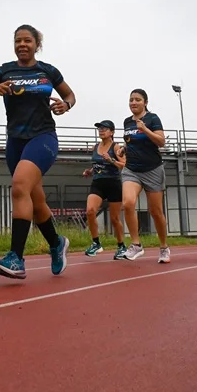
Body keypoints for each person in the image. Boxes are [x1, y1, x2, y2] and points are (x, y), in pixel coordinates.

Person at [0, 25, 76, 280]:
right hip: (15, 142)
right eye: (18, 41)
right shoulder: (4, 70)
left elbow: (69, 94)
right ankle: (56, 243)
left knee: (19, 186)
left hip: (43, 138)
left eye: (28, 40)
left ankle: (16, 257)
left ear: (37, 44)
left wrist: (66, 104)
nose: (22, 45)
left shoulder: (48, 71)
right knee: (35, 202)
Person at [120, 89, 171, 263]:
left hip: (152, 169)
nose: (133, 102)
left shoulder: (152, 119)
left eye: (137, 100)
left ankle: (164, 247)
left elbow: (161, 142)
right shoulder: (127, 122)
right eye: (131, 100)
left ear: (145, 102)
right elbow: (132, 142)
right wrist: (123, 148)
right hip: (131, 169)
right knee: (128, 202)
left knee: (156, 212)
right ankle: (136, 244)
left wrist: (145, 129)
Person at [81, 120, 127, 259]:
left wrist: (110, 160)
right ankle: (96, 243)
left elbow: (124, 165)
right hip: (98, 183)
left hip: (113, 184)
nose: (101, 131)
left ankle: (121, 246)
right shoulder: (95, 147)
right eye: (99, 128)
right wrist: (90, 171)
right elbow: (97, 165)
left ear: (112, 132)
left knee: (114, 218)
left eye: (104, 128)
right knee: (90, 211)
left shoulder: (116, 147)